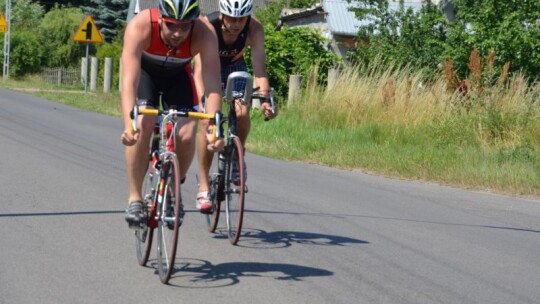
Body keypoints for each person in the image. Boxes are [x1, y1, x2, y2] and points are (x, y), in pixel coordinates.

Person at [120, 0, 224, 224]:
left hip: (178, 77)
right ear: (160, 19)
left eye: (185, 26)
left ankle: (172, 186)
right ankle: (135, 198)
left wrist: (215, 129)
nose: (178, 33)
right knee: (143, 124)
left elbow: (214, 85)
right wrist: (129, 126)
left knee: (186, 134)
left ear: (193, 22)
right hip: (145, 76)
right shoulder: (140, 26)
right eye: (171, 25)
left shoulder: (205, 33)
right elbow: (128, 82)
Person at [193, 0, 277, 213]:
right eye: (231, 18)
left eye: (242, 18)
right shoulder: (207, 26)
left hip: (235, 67)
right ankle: (203, 187)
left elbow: (259, 70)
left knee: (242, 111)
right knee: (208, 123)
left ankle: (237, 156)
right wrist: (204, 103)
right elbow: (199, 69)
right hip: (209, 68)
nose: (237, 23)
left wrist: (265, 99)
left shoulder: (255, 29)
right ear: (222, 14)